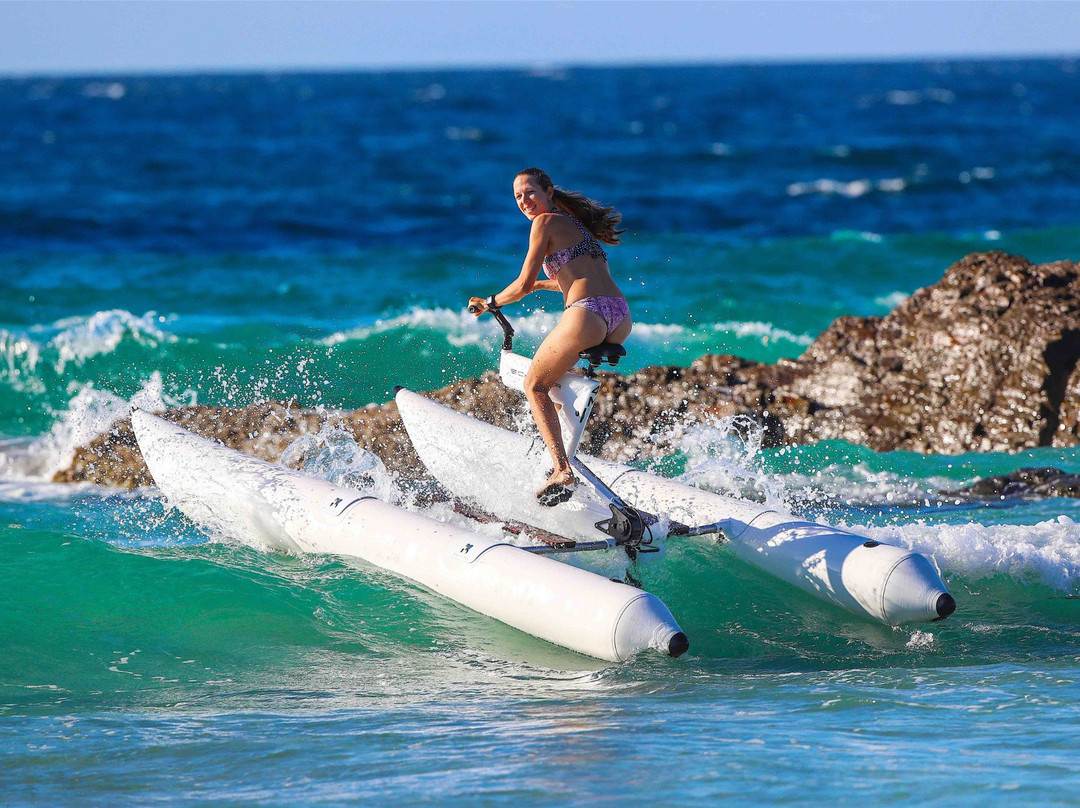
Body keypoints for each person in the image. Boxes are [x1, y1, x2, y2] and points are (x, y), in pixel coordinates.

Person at [469, 168, 632, 505]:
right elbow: (569, 278)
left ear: (548, 194)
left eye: (530, 193)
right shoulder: (576, 226)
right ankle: (565, 444)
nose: (524, 201)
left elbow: (523, 283)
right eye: (518, 196)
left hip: (587, 313)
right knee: (559, 380)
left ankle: (561, 469)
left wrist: (490, 303)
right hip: (619, 314)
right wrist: (539, 288)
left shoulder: (543, 224)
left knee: (534, 385)